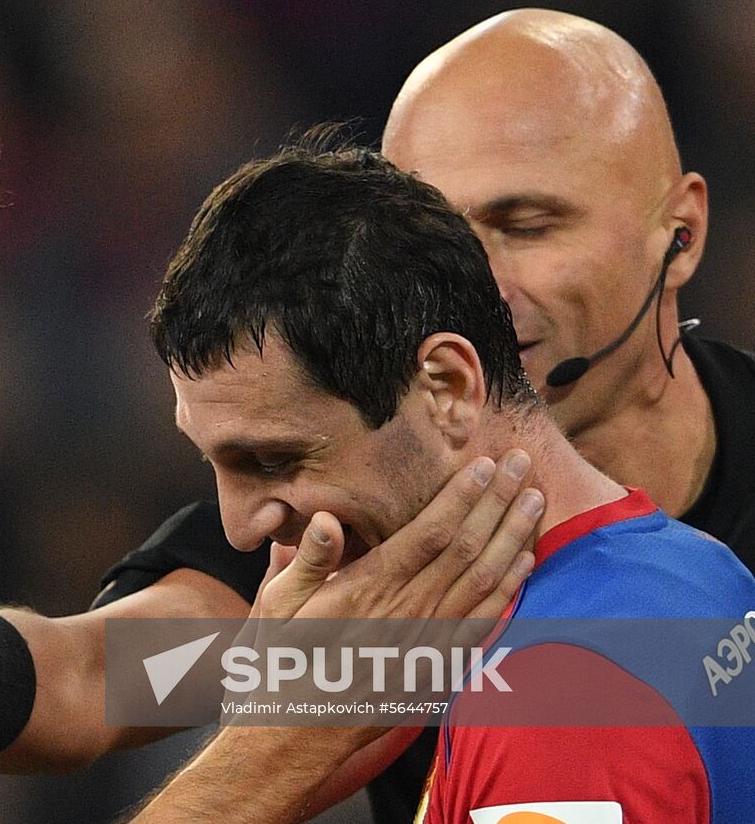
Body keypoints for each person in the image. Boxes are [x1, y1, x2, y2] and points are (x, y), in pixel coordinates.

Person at [0, 8, 752, 817]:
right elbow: (133, 669)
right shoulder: (343, 514)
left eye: (527, 224)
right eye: (429, 224)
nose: (473, 275)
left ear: (680, 231)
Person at [129, 137, 755, 822]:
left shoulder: (557, 699)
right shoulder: (695, 569)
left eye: (276, 460)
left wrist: (266, 755)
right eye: (212, 461)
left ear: (448, 386)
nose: (239, 527)